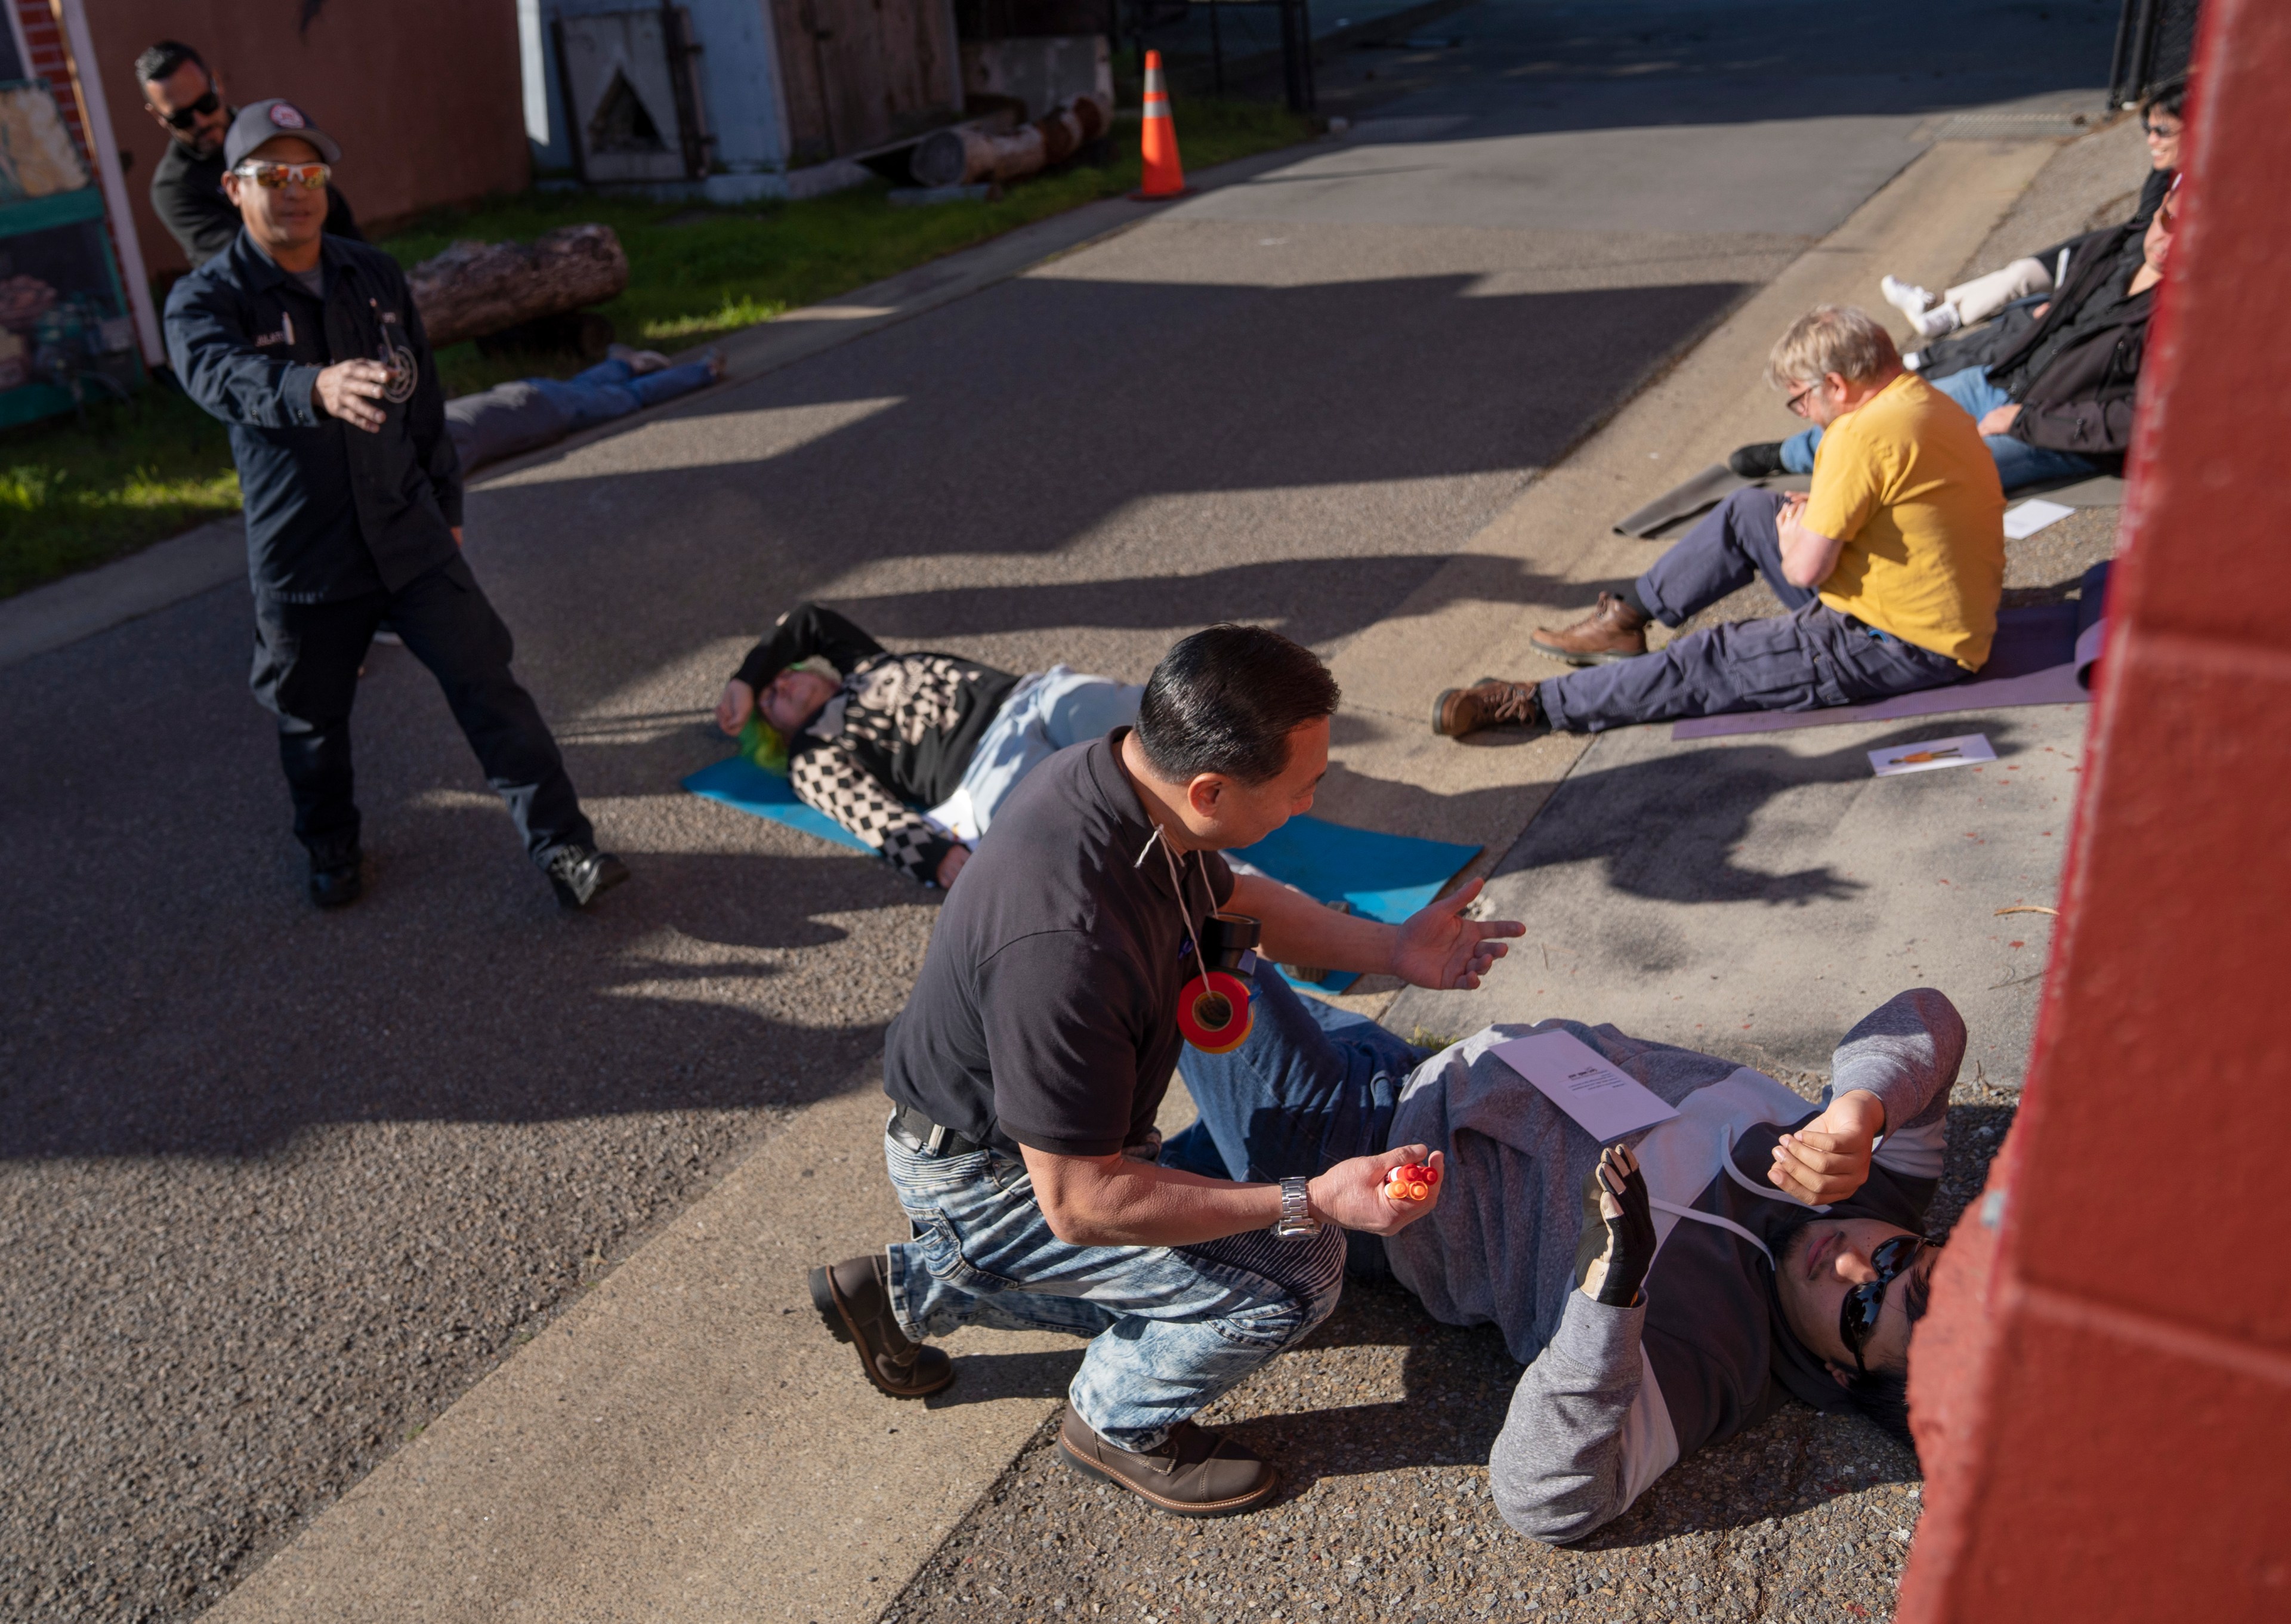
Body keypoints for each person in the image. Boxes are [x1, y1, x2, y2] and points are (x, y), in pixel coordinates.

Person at [807, 625, 1525, 1517]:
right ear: (1210, 789)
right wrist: (1312, 1199)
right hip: (999, 1177)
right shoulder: (1066, 942)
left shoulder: (1115, 781)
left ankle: (909, 1286)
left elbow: (1236, 900)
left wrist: (1394, 948)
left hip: (1059, 1135)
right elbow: (1083, 1203)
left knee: (1244, 1203)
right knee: (1298, 1271)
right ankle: (1109, 1422)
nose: (1309, 803)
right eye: (1303, 787)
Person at [1166, 970, 1957, 1542]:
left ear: (1846, 1373)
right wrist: (1864, 1107)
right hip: (1402, 1063)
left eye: (1861, 1311)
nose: (1851, 1263)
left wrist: (1606, 1297)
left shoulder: (1711, 1362)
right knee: (1106, 1103)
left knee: (1177, 926)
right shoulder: (1880, 1189)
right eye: (1898, 1266)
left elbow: (1545, 1501)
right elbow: (1931, 1017)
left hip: (1354, 1149)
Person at [163, 100, 625, 912]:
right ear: (236, 190)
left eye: (310, 173)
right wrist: (313, 384)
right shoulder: (208, 298)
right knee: (311, 720)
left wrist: (445, 501)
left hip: (410, 534)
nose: (297, 190)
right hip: (305, 556)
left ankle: (565, 848)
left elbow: (423, 400)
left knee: (491, 686)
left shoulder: (369, 272)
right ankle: (332, 848)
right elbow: (218, 378)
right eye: (275, 176)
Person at [1435, 306, 2003, 738]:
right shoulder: (1924, 401)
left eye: (1800, 399)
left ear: (1837, 385)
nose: (1803, 413)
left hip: (1897, 644)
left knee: (1710, 660)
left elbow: (1803, 570)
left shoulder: (1858, 436)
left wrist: (1792, 539)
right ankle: (1626, 620)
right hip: (1927, 616)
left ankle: (1536, 703)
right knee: (1749, 509)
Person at [1752, 183, 2178, 495]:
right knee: (1880, 416)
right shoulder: (2123, 250)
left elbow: (2141, 419)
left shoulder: (2191, 320)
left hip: (2054, 432)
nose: (2168, 239)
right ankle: (1795, 454)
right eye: (2168, 219)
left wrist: (2024, 421)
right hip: (2001, 380)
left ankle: (1830, 507)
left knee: (1913, 475)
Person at [714, 601, 1146, 889]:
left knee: (1147, 727)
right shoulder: (812, 752)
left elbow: (808, 619)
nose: (783, 685)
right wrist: (932, 855)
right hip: (981, 767)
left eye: (785, 673)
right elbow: (863, 811)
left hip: (1031, 696)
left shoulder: (866, 662)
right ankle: (1204, 890)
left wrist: (748, 681)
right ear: (777, 733)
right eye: (771, 698)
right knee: (1089, 849)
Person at [1867, 76, 2185, 346]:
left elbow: (2145, 230)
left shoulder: (2188, 183)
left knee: (2022, 280)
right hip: (2113, 249)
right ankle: (1935, 305)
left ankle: (1942, 316)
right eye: (2148, 127)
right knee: (2020, 272)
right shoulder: (2168, 171)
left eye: (2163, 131)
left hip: (2117, 263)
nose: (2151, 139)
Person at [134, 41, 362, 270]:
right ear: (233, 187)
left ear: (217, 83)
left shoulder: (269, 132)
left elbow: (335, 214)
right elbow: (240, 263)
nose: (201, 122)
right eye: (181, 118)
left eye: (206, 104)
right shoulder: (175, 186)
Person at [447, 345, 725, 471]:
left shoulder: (444, 441)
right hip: (525, 394)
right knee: (581, 389)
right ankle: (624, 363)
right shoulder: (425, 422)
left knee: (628, 397)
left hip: (544, 411)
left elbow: (442, 474)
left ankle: (703, 371)